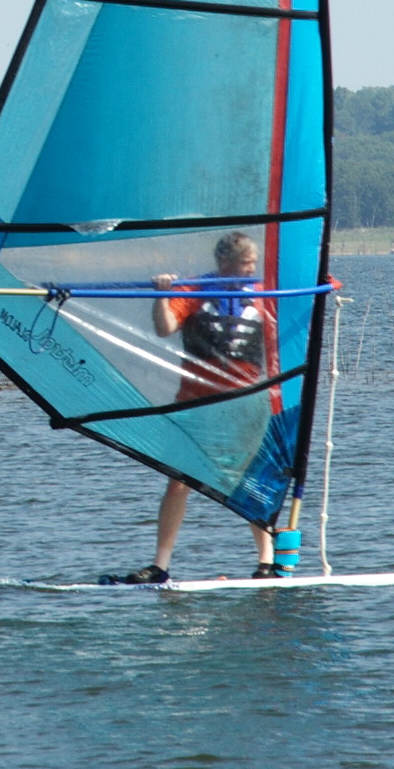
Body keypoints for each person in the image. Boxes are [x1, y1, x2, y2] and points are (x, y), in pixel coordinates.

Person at [104, 232, 280, 584]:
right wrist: (161, 294)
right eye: (246, 262)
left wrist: (321, 283)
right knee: (178, 483)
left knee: (252, 480)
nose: (252, 267)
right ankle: (160, 565)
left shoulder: (264, 292)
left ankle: (267, 562)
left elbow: (298, 312)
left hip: (246, 403)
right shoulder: (194, 291)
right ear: (224, 263)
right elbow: (164, 327)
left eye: (254, 261)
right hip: (196, 403)